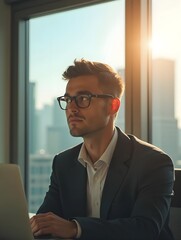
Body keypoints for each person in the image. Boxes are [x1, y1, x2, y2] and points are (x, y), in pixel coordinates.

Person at [30, 59, 174, 240]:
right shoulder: (63, 163)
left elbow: (145, 229)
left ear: (113, 106)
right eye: (68, 99)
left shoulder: (153, 163)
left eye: (83, 98)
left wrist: (76, 229)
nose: (71, 108)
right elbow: (46, 224)